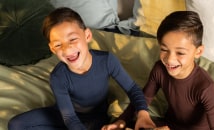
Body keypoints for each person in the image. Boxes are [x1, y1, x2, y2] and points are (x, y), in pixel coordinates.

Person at [8, 7, 151, 130]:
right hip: (65, 115)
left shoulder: (107, 60)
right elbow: (69, 117)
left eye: (72, 39)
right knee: (15, 124)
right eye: (58, 45)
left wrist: (143, 113)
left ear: (87, 35)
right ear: (52, 48)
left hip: (96, 117)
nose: (67, 48)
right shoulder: (58, 77)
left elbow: (132, 88)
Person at [103, 11, 214, 130]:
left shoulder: (205, 86)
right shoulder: (159, 70)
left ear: (198, 52)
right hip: (168, 125)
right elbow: (143, 99)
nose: (170, 59)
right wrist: (122, 120)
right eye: (164, 49)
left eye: (180, 53)